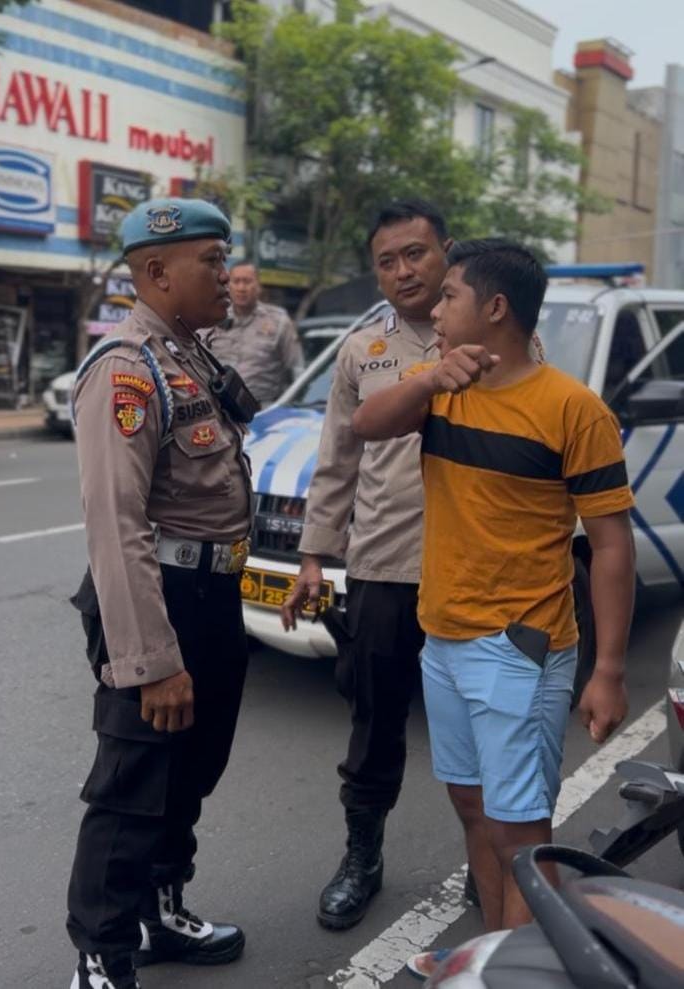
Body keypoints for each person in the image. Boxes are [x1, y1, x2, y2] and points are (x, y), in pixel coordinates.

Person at [352, 239, 635, 978]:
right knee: (474, 810)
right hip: (442, 637)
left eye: (448, 296)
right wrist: (424, 385)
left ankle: (529, 970)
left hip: (521, 646)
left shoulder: (574, 409)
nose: (434, 308)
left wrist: (607, 669)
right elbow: (364, 424)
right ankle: (490, 957)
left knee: (520, 835)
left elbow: (611, 546)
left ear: (495, 308)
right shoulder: (438, 384)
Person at [66, 197, 254, 989]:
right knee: (133, 784)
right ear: (155, 272)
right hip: (160, 598)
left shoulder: (191, 354)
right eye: (212, 262)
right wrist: (150, 660)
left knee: (190, 771)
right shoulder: (127, 368)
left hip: (215, 596)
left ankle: (159, 909)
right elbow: (117, 524)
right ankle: (100, 956)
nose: (227, 276)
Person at [281, 199, 452, 930]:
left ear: (446, 251)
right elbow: (336, 461)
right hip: (384, 563)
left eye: (415, 253)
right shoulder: (361, 351)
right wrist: (315, 557)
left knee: (481, 721)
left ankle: (495, 850)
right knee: (375, 720)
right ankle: (362, 859)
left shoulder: (500, 335)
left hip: (475, 568)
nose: (403, 270)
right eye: (388, 260)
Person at [199, 259, 303, 406]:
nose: (242, 288)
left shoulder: (279, 321)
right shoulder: (213, 319)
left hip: (264, 411)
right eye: (236, 281)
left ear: (258, 286)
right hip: (220, 408)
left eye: (247, 282)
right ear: (228, 285)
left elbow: (296, 370)